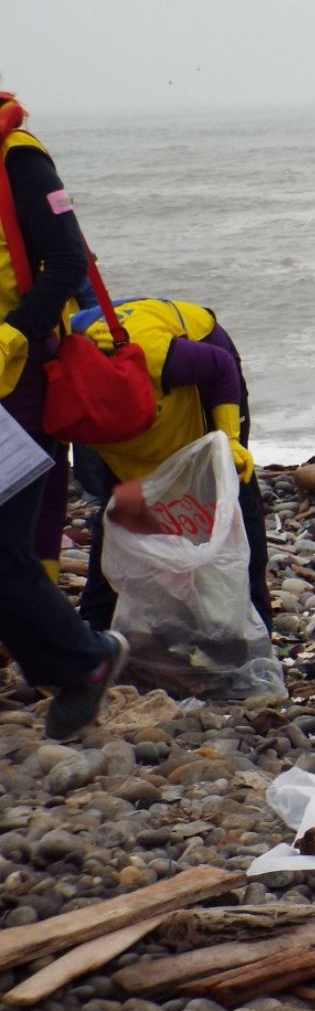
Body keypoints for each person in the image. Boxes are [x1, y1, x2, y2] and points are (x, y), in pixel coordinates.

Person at [0, 90, 128, 738]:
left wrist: (16, 333)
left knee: (5, 551)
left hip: (15, 378)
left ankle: (83, 661)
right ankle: (71, 657)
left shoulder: (17, 157)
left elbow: (69, 261)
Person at [70, 298, 271, 631]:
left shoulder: (157, 356)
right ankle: (96, 625)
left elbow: (220, 367)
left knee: (228, 491)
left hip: (206, 365)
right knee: (120, 508)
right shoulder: (60, 376)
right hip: (111, 365)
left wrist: (230, 440)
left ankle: (250, 624)